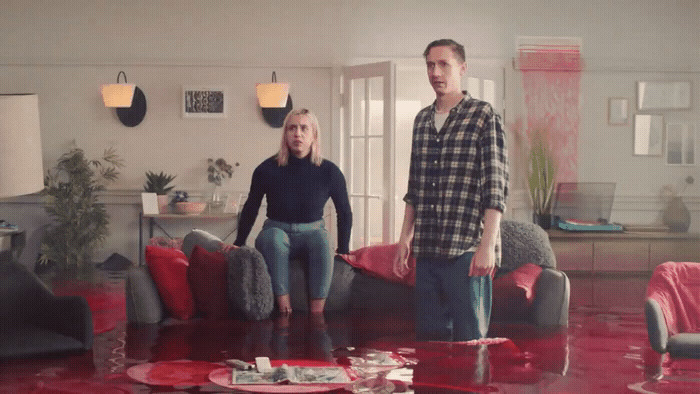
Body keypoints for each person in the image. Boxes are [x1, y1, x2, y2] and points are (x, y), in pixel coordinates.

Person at [393, 39, 509, 341]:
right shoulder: (421, 120)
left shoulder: (484, 116)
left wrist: (487, 246)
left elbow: (496, 187)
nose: (435, 71)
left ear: (462, 68)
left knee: (470, 346)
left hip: (467, 248)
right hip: (428, 248)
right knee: (429, 347)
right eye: (430, 65)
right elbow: (414, 186)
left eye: (444, 64)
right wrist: (405, 239)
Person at [234, 108, 352, 316]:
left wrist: (343, 249)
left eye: (304, 128)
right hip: (276, 231)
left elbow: (344, 212)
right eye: (292, 128)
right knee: (273, 239)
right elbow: (251, 207)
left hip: (314, 232)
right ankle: (284, 309)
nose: (297, 133)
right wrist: (238, 242)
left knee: (324, 241)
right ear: (285, 134)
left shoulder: (330, 171)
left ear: (314, 134)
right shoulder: (266, 169)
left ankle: (317, 316)